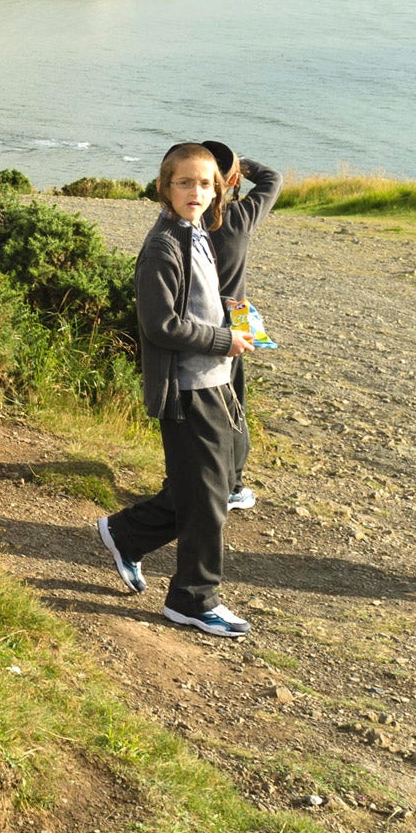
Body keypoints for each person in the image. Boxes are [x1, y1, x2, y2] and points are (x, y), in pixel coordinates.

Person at [95, 143, 256, 637]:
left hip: (218, 381)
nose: (196, 191)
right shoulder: (163, 245)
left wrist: (234, 318)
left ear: (219, 188)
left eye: (205, 183)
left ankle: (126, 532)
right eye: (185, 182)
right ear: (165, 186)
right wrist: (223, 338)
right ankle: (192, 599)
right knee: (208, 500)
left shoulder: (199, 232)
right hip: (190, 389)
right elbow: (159, 324)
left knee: (221, 479)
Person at [201, 141, 282, 513]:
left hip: (194, 321)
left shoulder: (186, 220)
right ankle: (232, 486)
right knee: (233, 401)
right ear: (232, 180)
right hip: (232, 321)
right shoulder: (240, 217)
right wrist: (241, 165)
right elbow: (272, 178)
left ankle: (188, 475)